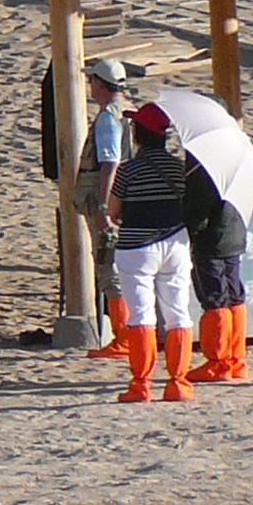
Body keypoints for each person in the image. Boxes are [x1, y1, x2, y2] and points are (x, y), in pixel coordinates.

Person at [107, 102, 195, 403]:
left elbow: (113, 211)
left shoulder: (128, 169)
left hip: (137, 246)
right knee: (178, 312)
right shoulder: (179, 168)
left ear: (137, 134)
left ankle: (141, 383)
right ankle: (178, 381)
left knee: (141, 314)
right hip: (176, 242)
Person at [80, 58, 136, 359]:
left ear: (101, 84)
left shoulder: (107, 118)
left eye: (92, 81)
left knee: (108, 265)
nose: (90, 86)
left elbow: (109, 163)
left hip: (111, 200)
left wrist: (104, 206)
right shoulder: (131, 111)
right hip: (131, 196)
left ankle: (123, 337)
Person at [184, 156, 250, 381]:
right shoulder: (241, 163)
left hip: (212, 239)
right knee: (234, 295)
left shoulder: (206, 168)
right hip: (235, 233)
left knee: (215, 297)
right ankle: (236, 359)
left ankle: (218, 362)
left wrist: (192, 233)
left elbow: (199, 211)